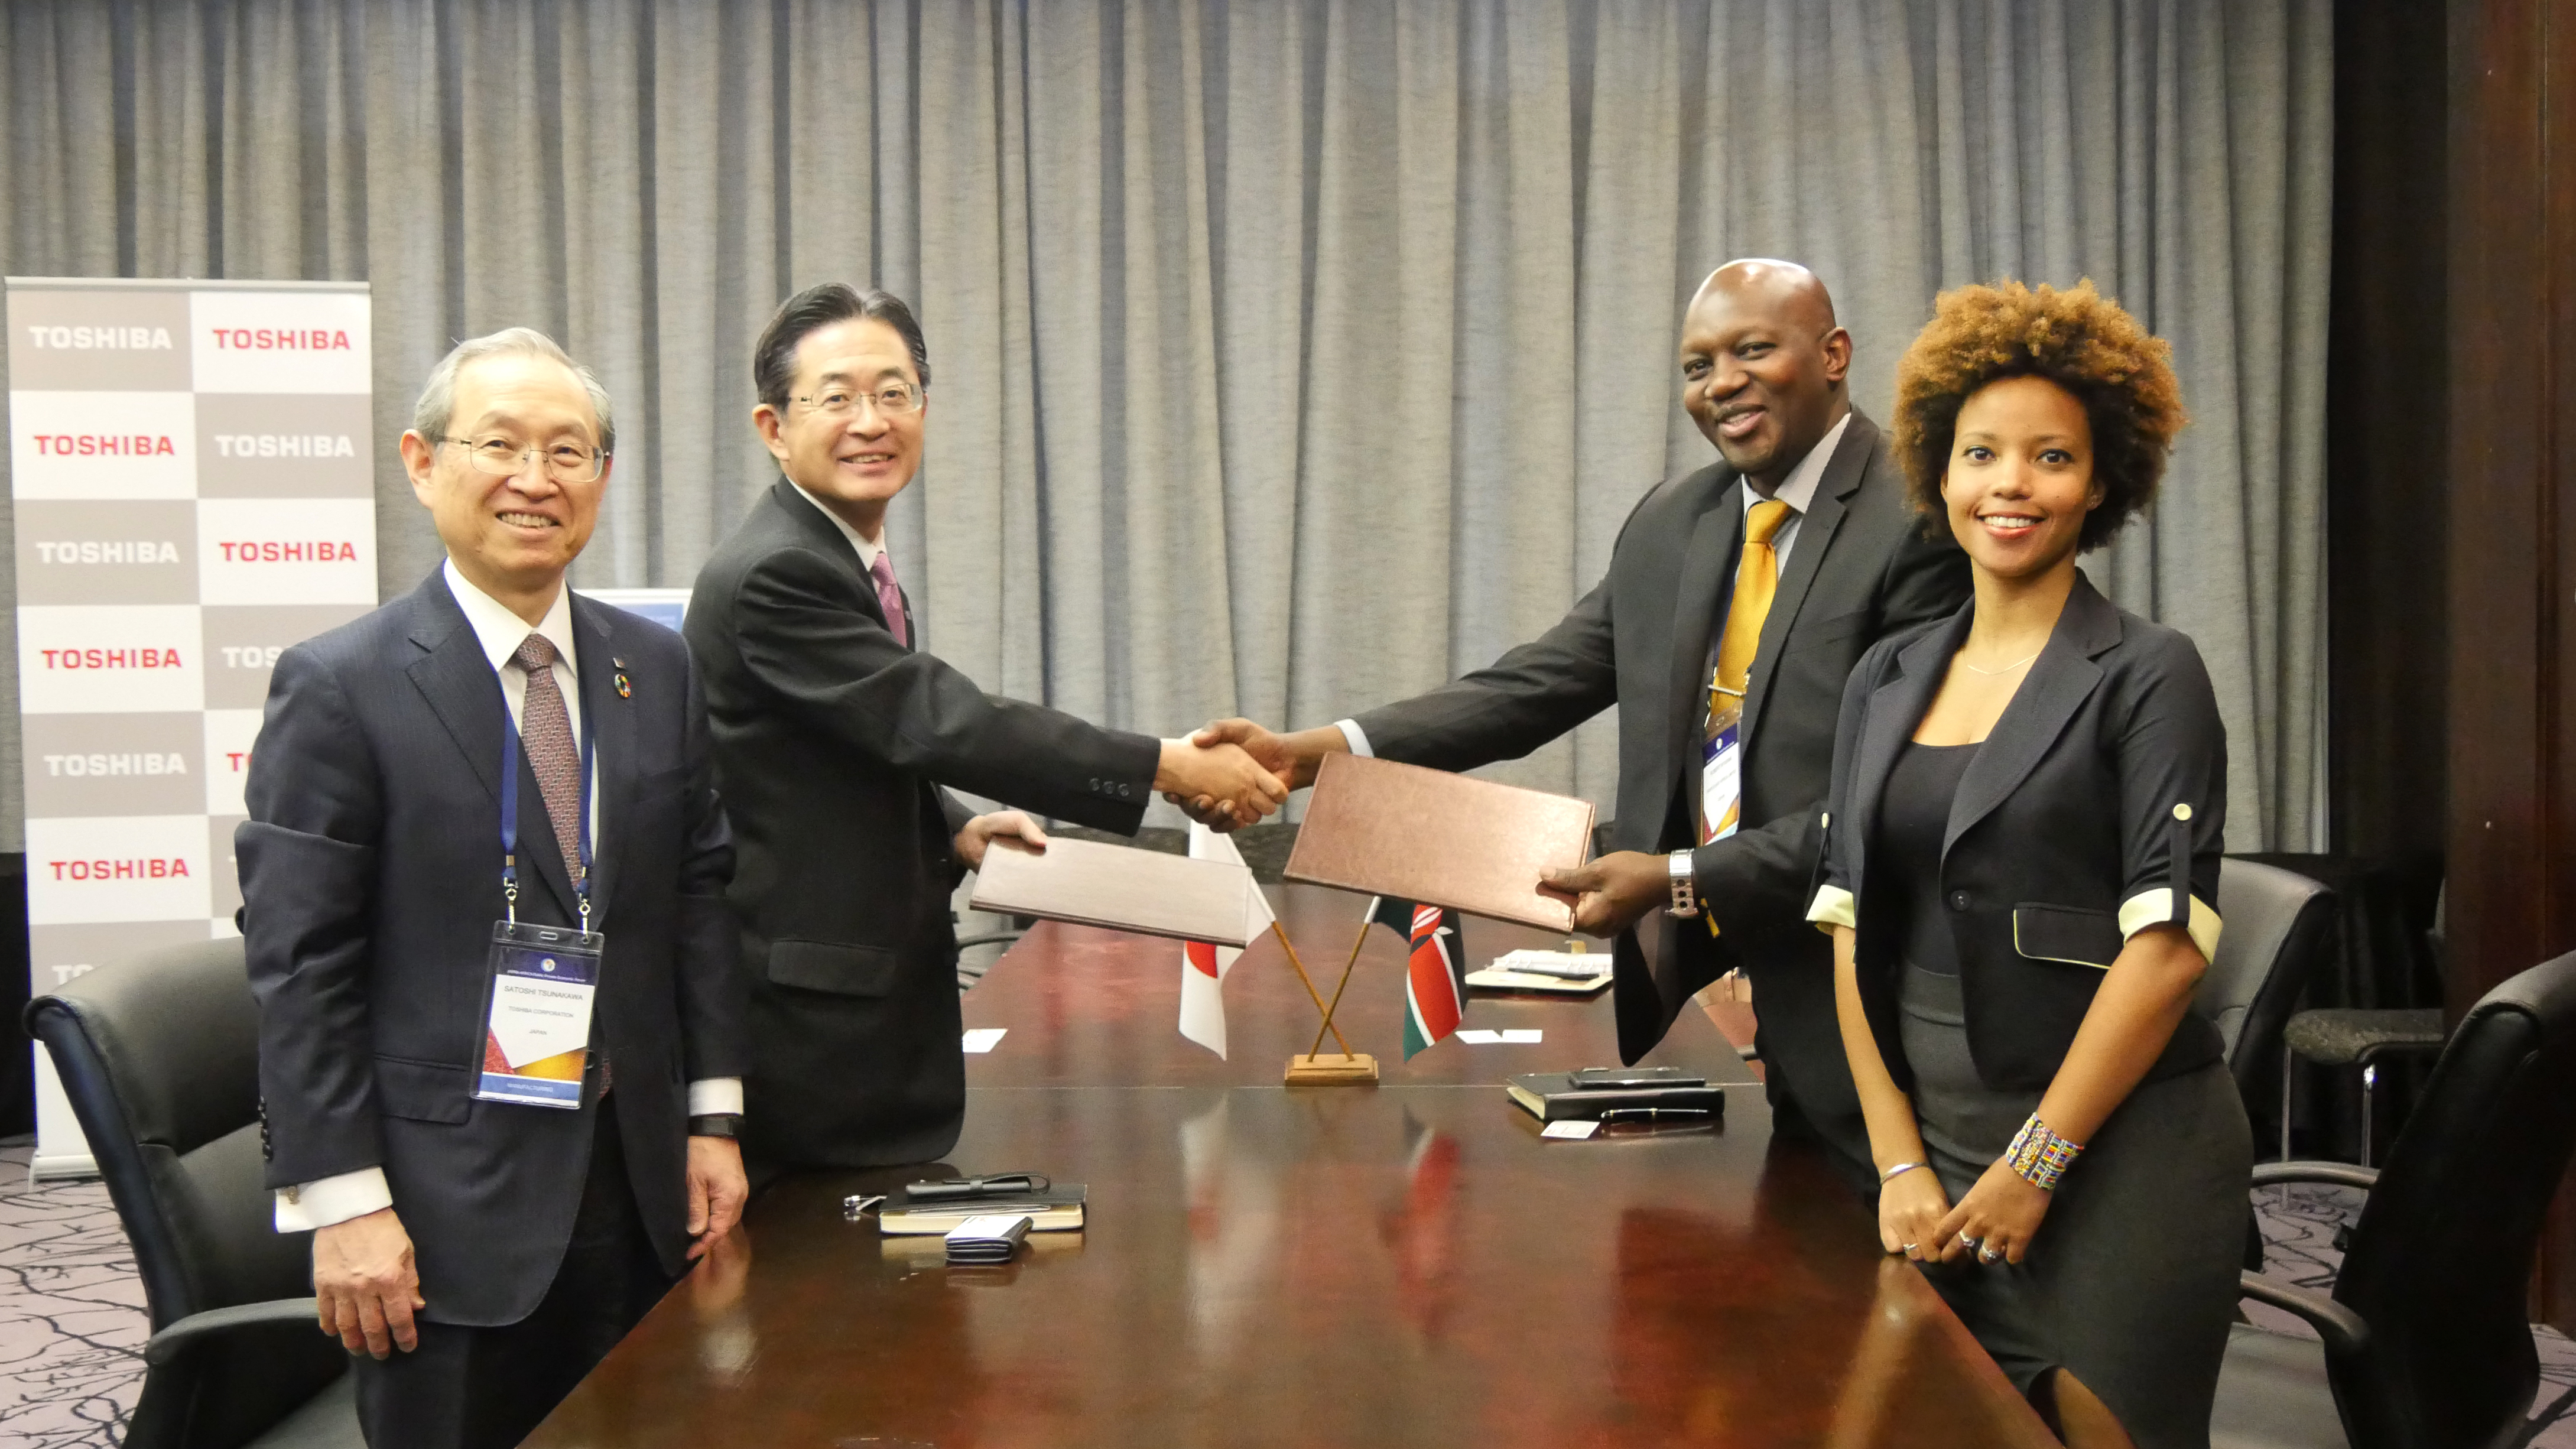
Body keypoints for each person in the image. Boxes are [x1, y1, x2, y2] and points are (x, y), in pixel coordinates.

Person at [1187, 261, 1968, 1180]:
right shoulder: (1676, 520)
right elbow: (1538, 685)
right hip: (1762, 983)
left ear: (1834, 355)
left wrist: (1677, 878)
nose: (1721, 383)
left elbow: (1900, 797)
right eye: (1697, 366)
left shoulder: (1922, 516)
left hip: (1879, 983)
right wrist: (1314, 754)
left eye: (1754, 350)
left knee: (1910, 1283)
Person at [240, 329, 747, 1449]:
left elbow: (696, 901)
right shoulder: (340, 686)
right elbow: (299, 964)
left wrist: (713, 1118)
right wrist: (345, 1205)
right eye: (501, 444)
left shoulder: (652, 668)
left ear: (603, 480)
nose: (537, 478)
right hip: (442, 1209)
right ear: (422, 464)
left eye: (570, 451)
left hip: (637, 1174)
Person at [686, 283, 1288, 1170]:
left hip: (854, 1007)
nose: (871, 420)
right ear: (773, 428)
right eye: (838, 397)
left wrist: (954, 823)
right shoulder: (781, 571)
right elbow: (938, 716)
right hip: (812, 1028)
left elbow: (861, 737)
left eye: (895, 393)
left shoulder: (835, 552)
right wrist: (1164, 765)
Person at [1806, 279, 2250, 1449]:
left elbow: (2162, 951)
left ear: (2101, 481)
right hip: (1935, 1139)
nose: (2010, 482)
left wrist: (2033, 1164)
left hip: (2118, 1148)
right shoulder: (1885, 676)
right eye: (1980, 454)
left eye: (2049, 456)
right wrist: (1898, 1157)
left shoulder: (2149, 671)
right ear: (1937, 473)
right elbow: (1851, 927)